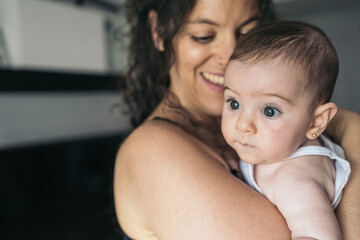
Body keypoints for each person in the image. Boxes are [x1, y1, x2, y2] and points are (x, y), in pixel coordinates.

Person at [113, 0, 360, 239]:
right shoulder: (153, 150)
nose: (230, 53)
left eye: (246, 33)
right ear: (158, 31)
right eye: (203, 36)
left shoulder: (262, 123)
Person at [221, 20, 351, 239]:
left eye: (269, 111)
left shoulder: (294, 181)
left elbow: (319, 236)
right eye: (234, 103)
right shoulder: (278, 145)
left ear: (316, 122)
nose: (242, 124)